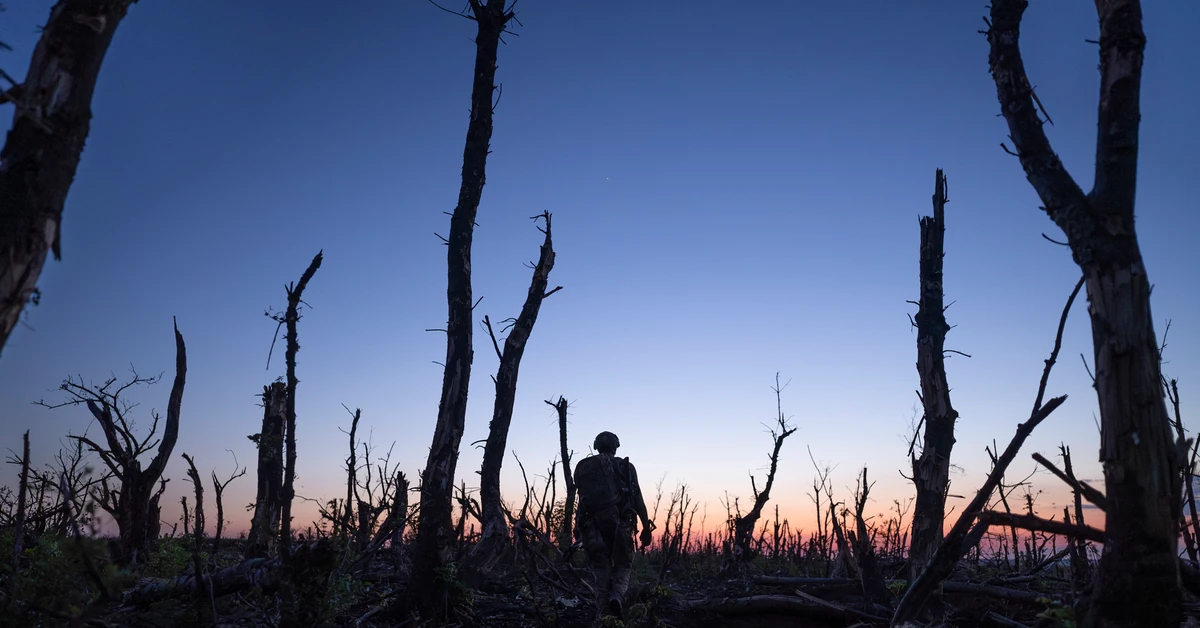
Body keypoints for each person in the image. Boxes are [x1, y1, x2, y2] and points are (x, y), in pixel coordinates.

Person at [573, 431, 654, 620]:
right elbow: (638, 498)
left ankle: (602, 615)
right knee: (623, 565)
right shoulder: (625, 467)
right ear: (616, 446)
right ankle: (617, 596)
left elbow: (582, 502)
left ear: (596, 446)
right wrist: (646, 527)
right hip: (620, 525)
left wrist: (578, 529)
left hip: (591, 526)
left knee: (600, 568)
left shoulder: (584, 468)